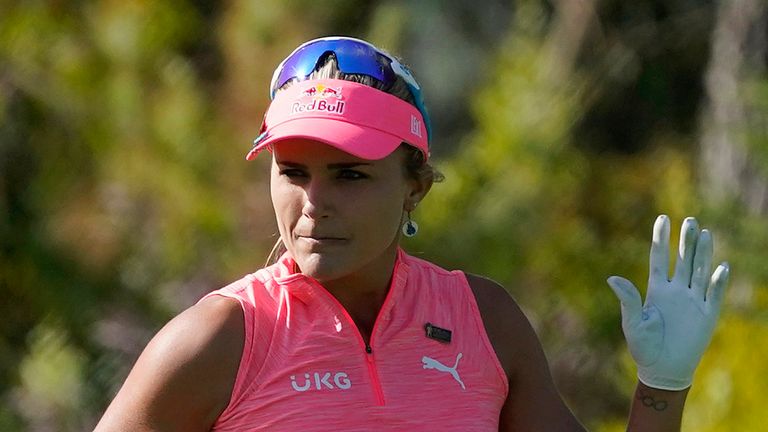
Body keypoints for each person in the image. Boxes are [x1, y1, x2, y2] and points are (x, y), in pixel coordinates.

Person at [94, 36, 730, 431]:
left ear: (414, 186)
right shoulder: (216, 340)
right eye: (293, 173)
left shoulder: (484, 320)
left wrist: (661, 388)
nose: (313, 203)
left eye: (350, 176)